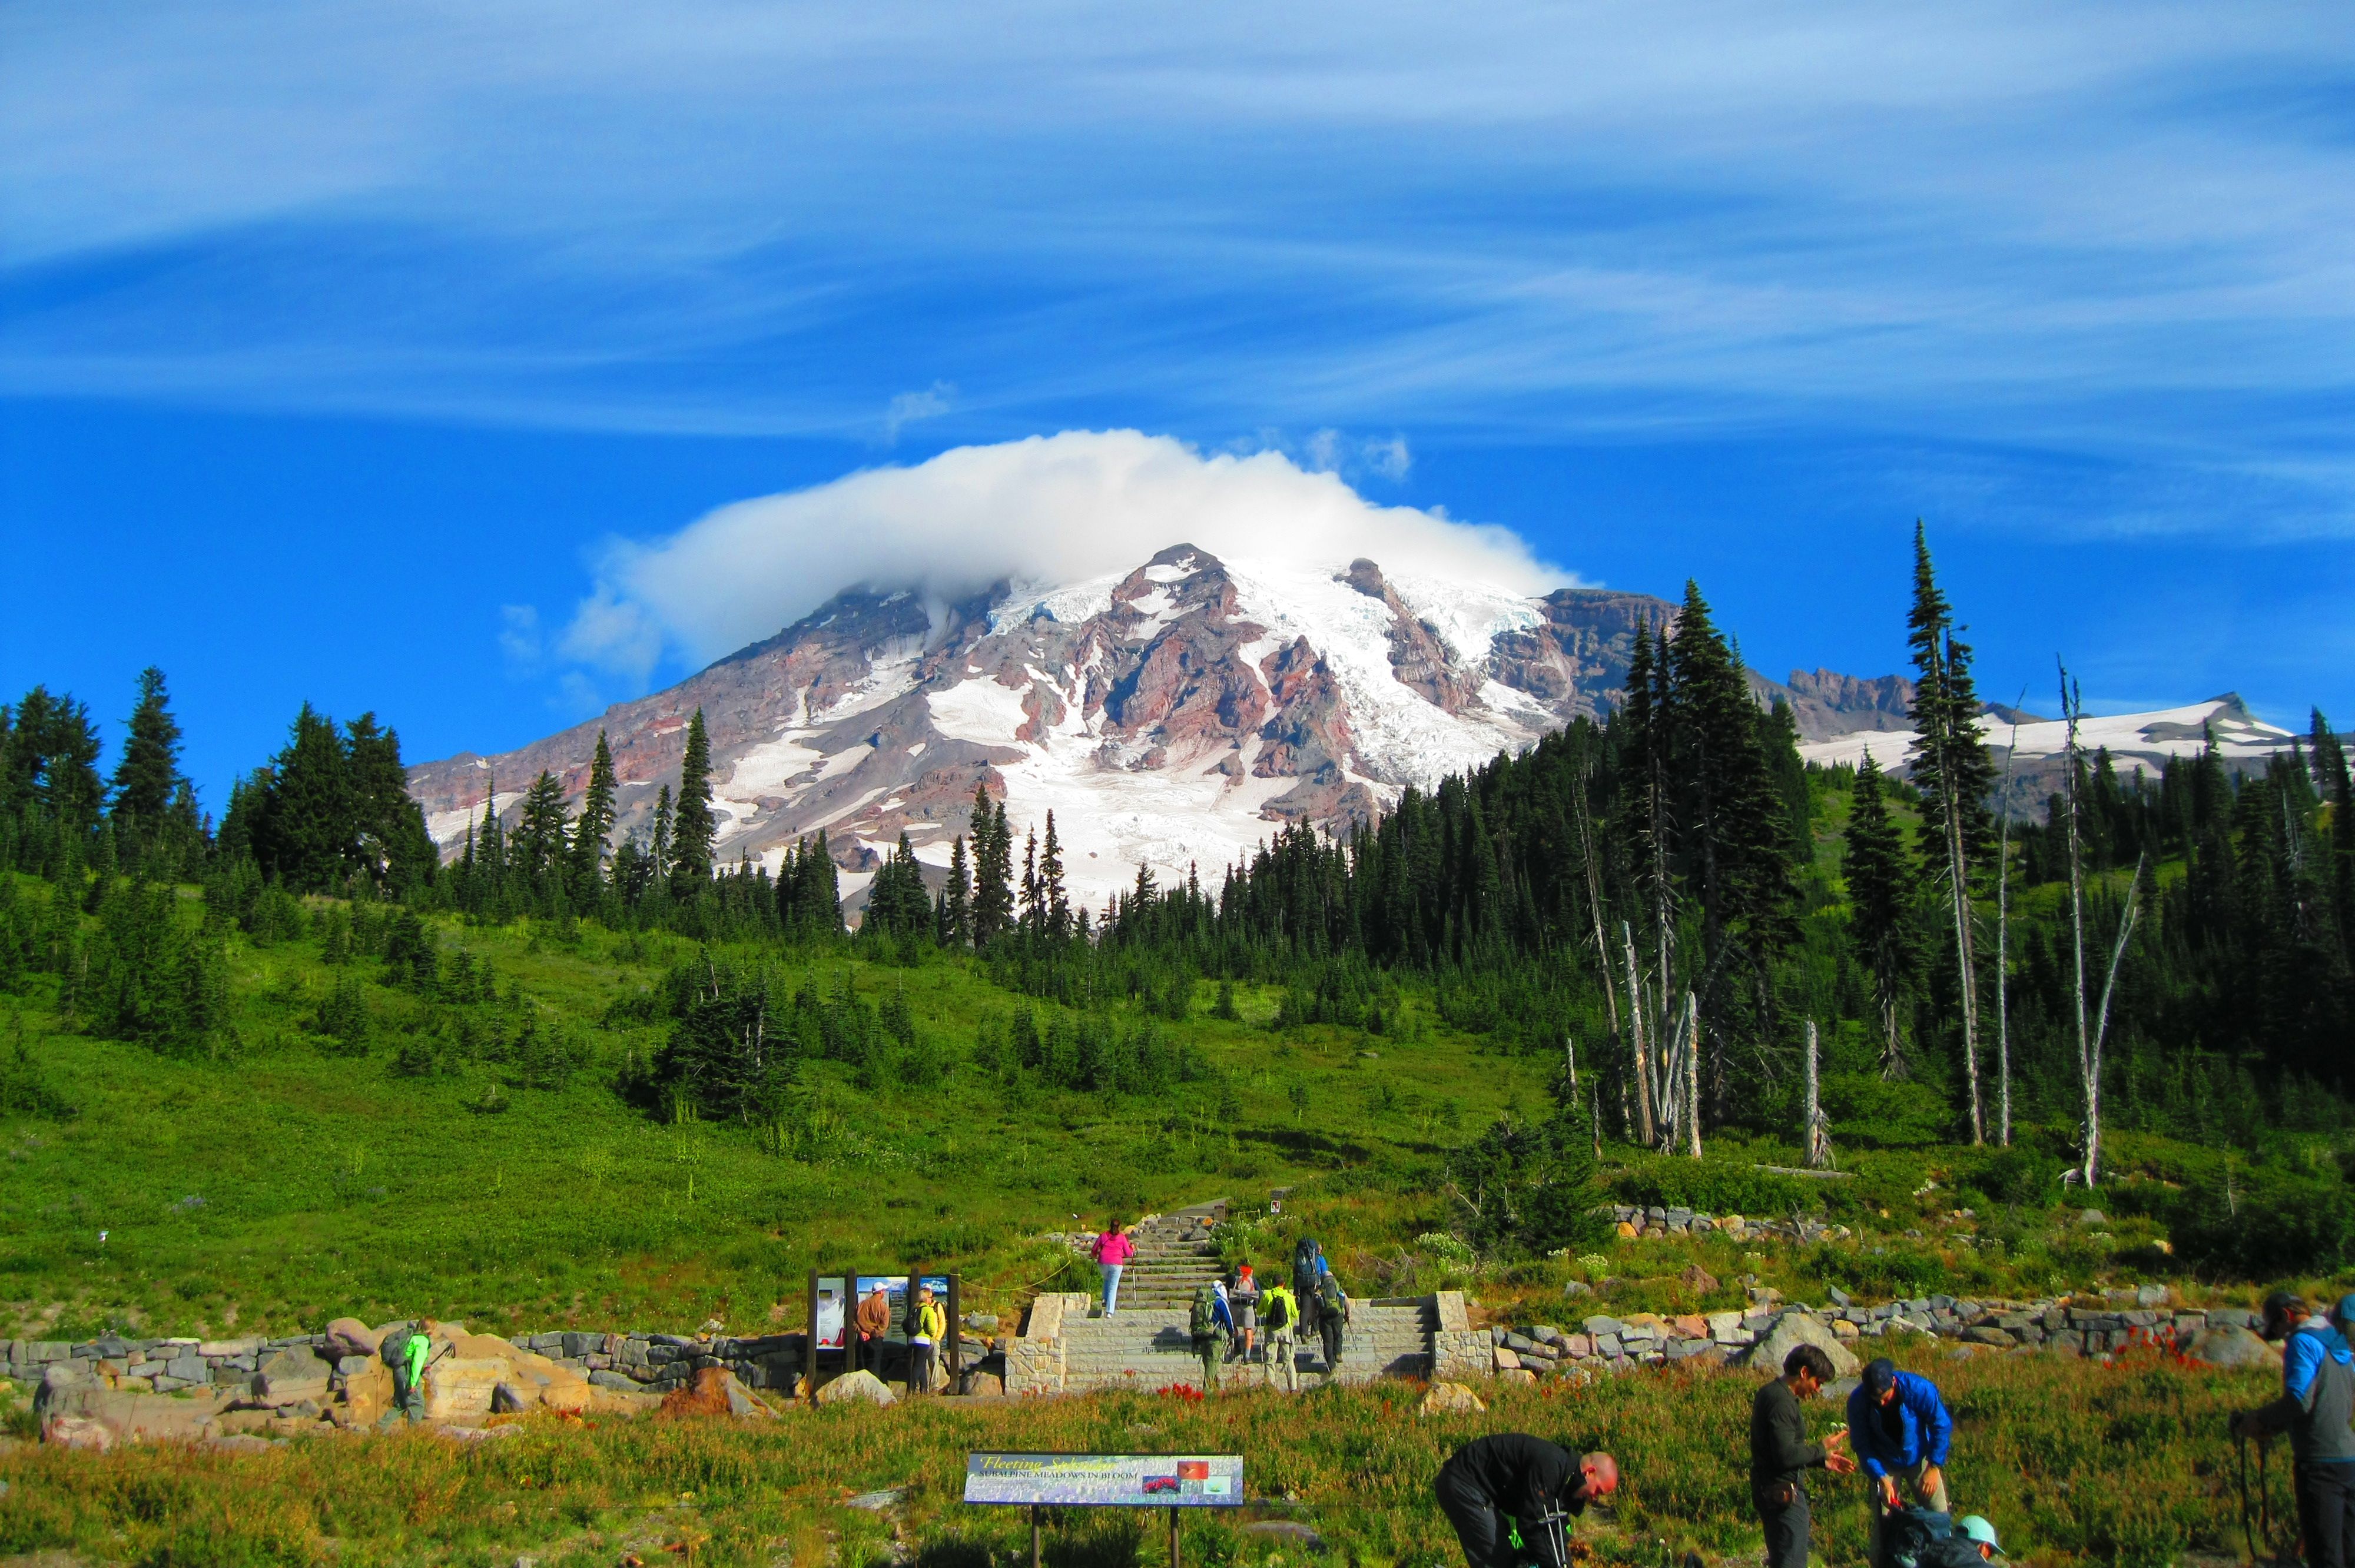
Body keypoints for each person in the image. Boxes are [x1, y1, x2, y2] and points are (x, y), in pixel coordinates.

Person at [2232, 1290, 2355, 1568]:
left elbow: (2300, 1401)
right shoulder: (2339, 1343)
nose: (2280, 1334)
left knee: (2326, 1557)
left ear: (2286, 1316)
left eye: (2276, 1327)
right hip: (2349, 1461)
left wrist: (2259, 1419)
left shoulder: (2302, 1342)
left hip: (2319, 1465)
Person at [1434, 1434, 1619, 1568]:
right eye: (1598, 1491)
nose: (1595, 1498)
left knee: (1520, 1557)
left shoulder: (1565, 1478)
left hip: (1479, 1491)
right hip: (1463, 1483)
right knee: (1498, 1558)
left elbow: (1554, 1530)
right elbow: (1531, 1523)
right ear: (1590, 1472)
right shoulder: (1552, 1466)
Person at [1752, 1344, 1858, 1568]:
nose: (1818, 1389)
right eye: (1818, 1382)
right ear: (1804, 1373)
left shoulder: (1773, 1394)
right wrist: (1821, 1448)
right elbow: (1786, 1456)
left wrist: (1821, 1460)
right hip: (1783, 1495)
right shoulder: (1781, 1402)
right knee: (1791, 1562)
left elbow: (1778, 1451)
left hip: (1772, 1490)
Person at [1848, 1357, 1954, 1567]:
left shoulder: (1920, 1389)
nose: (1881, 1403)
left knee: (1939, 1516)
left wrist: (1934, 1466)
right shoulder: (1858, 1402)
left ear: (1893, 1383)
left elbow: (1941, 1425)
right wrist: (1881, 1479)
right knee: (1885, 1524)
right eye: (1875, 1400)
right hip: (1884, 1462)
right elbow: (1862, 1445)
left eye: (1885, 1398)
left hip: (1921, 1459)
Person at [1190, 1281, 1232, 1392]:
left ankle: (1216, 1392)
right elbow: (1228, 1320)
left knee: (1212, 1367)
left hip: (1202, 1339)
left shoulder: (1203, 1303)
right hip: (1215, 1340)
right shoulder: (1220, 1302)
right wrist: (1232, 1335)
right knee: (1212, 1367)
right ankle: (1207, 1394)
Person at [1262, 1277, 1302, 1393]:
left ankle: (1270, 1387)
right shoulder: (1289, 1297)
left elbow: (1259, 1311)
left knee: (1270, 1360)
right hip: (1286, 1330)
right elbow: (1295, 1314)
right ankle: (1293, 1388)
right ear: (1284, 1284)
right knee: (1289, 1359)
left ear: (1272, 1283)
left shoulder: (1267, 1296)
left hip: (1272, 1331)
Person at [906, 1283, 946, 1394]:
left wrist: (937, 1338)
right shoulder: (927, 1309)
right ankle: (914, 1388)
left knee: (928, 1363)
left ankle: (927, 1388)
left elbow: (942, 1322)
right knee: (921, 1364)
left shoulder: (916, 1308)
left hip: (919, 1340)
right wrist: (933, 1335)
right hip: (925, 1339)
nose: (931, 1297)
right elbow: (932, 1327)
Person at [1313, 1257, 1348, 1380]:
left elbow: (1315, 1307)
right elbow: (1345, 1301)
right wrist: (1347, 1315)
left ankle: (1331, 1366)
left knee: (1328, 1342)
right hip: (1338, 1315)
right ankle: (1338, 1353)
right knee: (1338, 1335)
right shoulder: (1338, 1287)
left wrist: (1315, 1325)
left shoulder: (1320, 1289)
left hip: (1325, 1318)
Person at [1093, 1220, 1136, 1317]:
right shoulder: (1122, 1238)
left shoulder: (1104, 1235)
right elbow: (1128, 1253)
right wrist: (1132, 1248)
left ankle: (1104, 1298)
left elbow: (1094, 1249)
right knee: (1113, 1286)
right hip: (1116, 1263)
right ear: (1119, 1227)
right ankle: (1109, 1312)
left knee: (1106, 1279)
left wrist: (1094, 1254)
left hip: (1103, 1262)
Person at [855, 1283, 893, 1375]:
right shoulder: (884, 1307)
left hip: (862, 1339)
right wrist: (872, 1333)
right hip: (876, 1341)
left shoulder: (861, 1305)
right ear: (881, 1292)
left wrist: (861, 1332)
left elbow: (853, 1322)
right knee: (875, 1368)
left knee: (862, 1369)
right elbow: (884, 1326)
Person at [1230, 1263, 1261, 1364]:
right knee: (1249, 1331)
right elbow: (1259, 1293)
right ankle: (1247, 1357)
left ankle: (1237, 1345)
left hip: (1234, 1306)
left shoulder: (1234, 1279)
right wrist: (1257, 1306)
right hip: (1248, 1307)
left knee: (1233, 1326)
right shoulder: (1252, 1280)